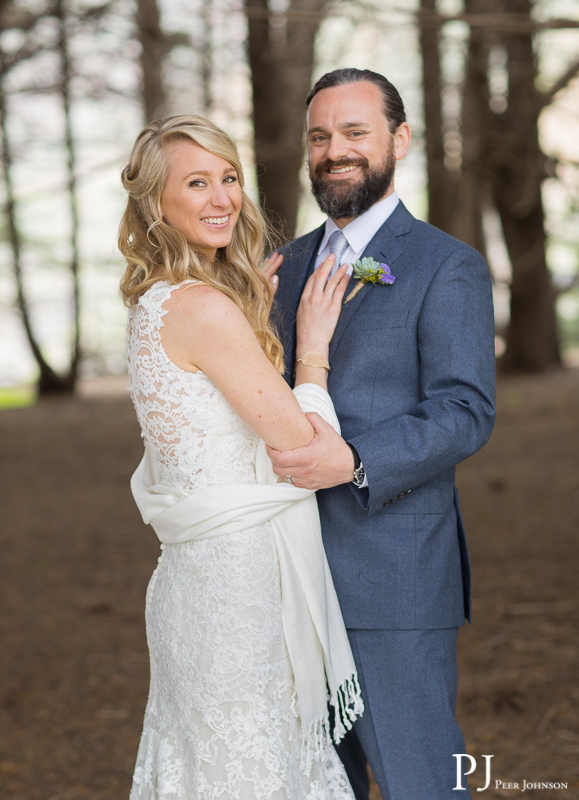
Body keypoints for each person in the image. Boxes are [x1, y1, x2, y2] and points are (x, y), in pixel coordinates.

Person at [118, 114, 364, 799]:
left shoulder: (155, 302)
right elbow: (297, 446)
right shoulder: (201, 308)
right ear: (154, 204)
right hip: (236, 593)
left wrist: (249, 300)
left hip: (194, 585)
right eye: (197, 183)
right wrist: (311, 348)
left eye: (228, 178)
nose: (223, 197)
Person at [269, 69, 496, 800]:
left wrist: (356, 459)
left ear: (399, 140)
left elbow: (464, 410)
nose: (335, 150)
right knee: (315, 784)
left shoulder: (446, 265)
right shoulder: (281, 267)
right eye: (320, 137)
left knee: (420, 780)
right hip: (281, 578)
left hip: (393, 581)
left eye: (354, 132)